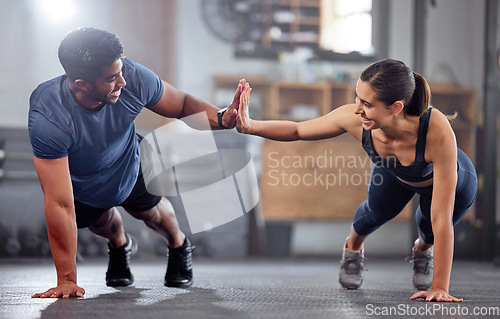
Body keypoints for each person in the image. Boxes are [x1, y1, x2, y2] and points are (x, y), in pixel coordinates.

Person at [235, 59, 477, 302]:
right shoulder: (355, 120)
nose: (356, 109)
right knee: (374, 213)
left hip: (452, 181)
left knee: (430, 228)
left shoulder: (436, 129)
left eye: (367, 104)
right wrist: (250, 125)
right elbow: (299, 130)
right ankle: (353, 248)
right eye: (357, 98)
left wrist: (440, 288)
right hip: (395, 172)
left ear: (395, 107)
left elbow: (441, 218)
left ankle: (423, 250)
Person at [28, 27, 245, 298]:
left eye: (120, 71)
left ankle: (179, 245)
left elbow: (181, 104)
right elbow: (60, 202)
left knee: (151, 214)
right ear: (81, 83)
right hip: (83, 181)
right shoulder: (48, 115)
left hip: (129, 159)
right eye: (111, 78)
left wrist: (223, 118)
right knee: (101, 222)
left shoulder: (131, 76)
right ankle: (119, 245)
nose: (122, 82)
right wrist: (67, 280)